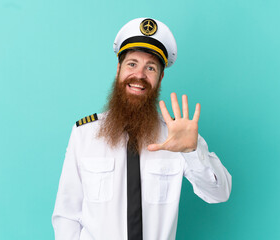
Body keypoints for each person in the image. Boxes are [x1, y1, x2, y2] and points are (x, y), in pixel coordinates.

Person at [52, 18, 232, 240]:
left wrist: (192, 152)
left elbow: (220, 193)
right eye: (132, 64)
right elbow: (67, 214)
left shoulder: (177, 134)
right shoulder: (84, 133)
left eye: (150, 67)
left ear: (160, 77)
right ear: (118, 69)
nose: (139, 75)